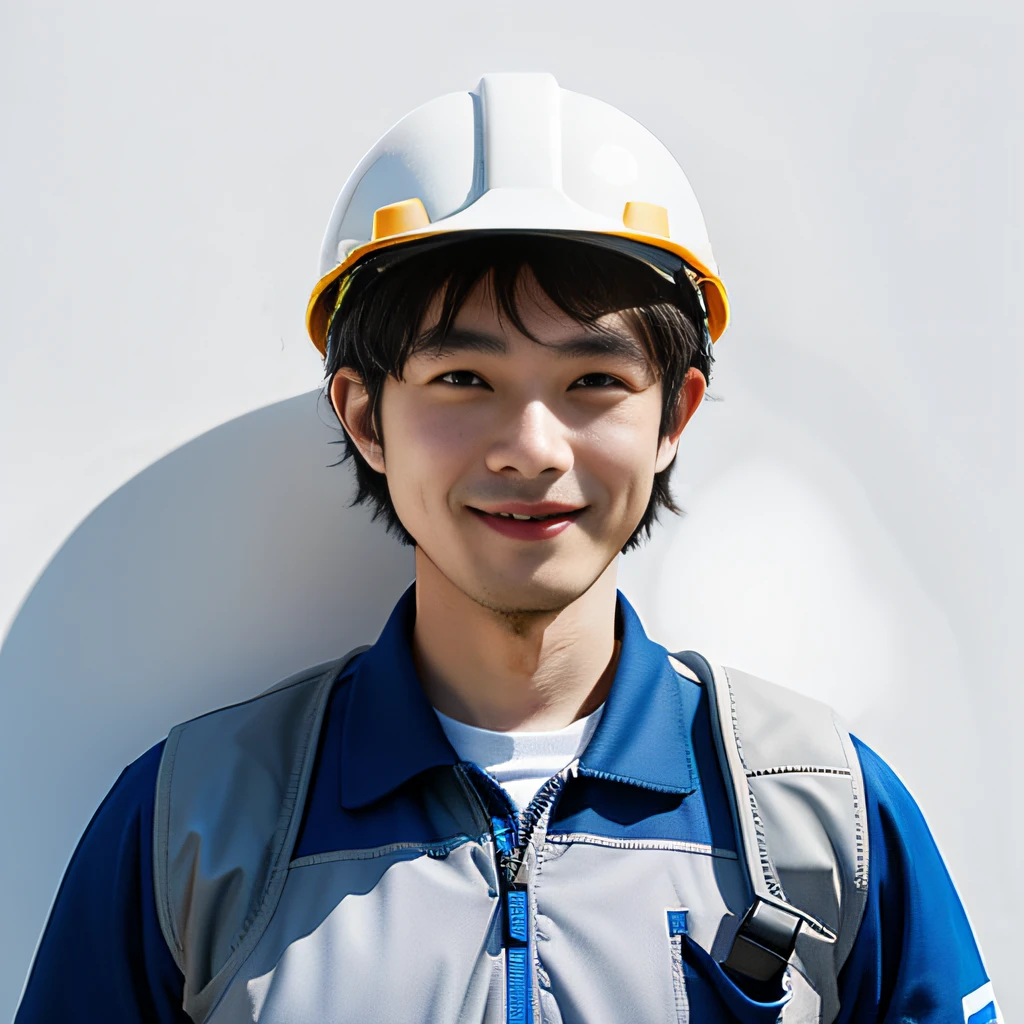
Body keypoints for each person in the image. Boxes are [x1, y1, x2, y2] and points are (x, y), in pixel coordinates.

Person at [15, 73, 1000, 1024]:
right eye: (462, 378)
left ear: (674, 415)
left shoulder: (822, 816)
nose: (531, 448)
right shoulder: (195, 822)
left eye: (593, 382)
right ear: (364, 414)